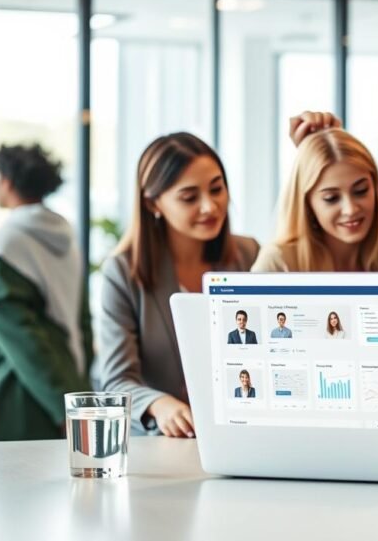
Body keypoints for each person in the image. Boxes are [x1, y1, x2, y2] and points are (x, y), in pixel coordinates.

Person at [96, 133, 259, 438]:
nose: (210, 207)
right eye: (189, 197)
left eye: (216, 189)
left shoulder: (248, 255)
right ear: (152, 203)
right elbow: (116, 381)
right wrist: (159, 405)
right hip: (164, 442)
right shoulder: (122, 273)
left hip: (239, 433)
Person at [0, 144, 92, 441]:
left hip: (10, 405)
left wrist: (63, 408)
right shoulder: (65, 242)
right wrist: (75, 399)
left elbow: (21, 338)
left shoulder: (5, 248)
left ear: (7, 182)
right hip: (64, 389)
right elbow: (83, 323)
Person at [251, 112, 378, 272]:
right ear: (307, 203)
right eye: (331, 198)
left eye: (361, 191)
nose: (350, 209)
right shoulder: (278, 262)